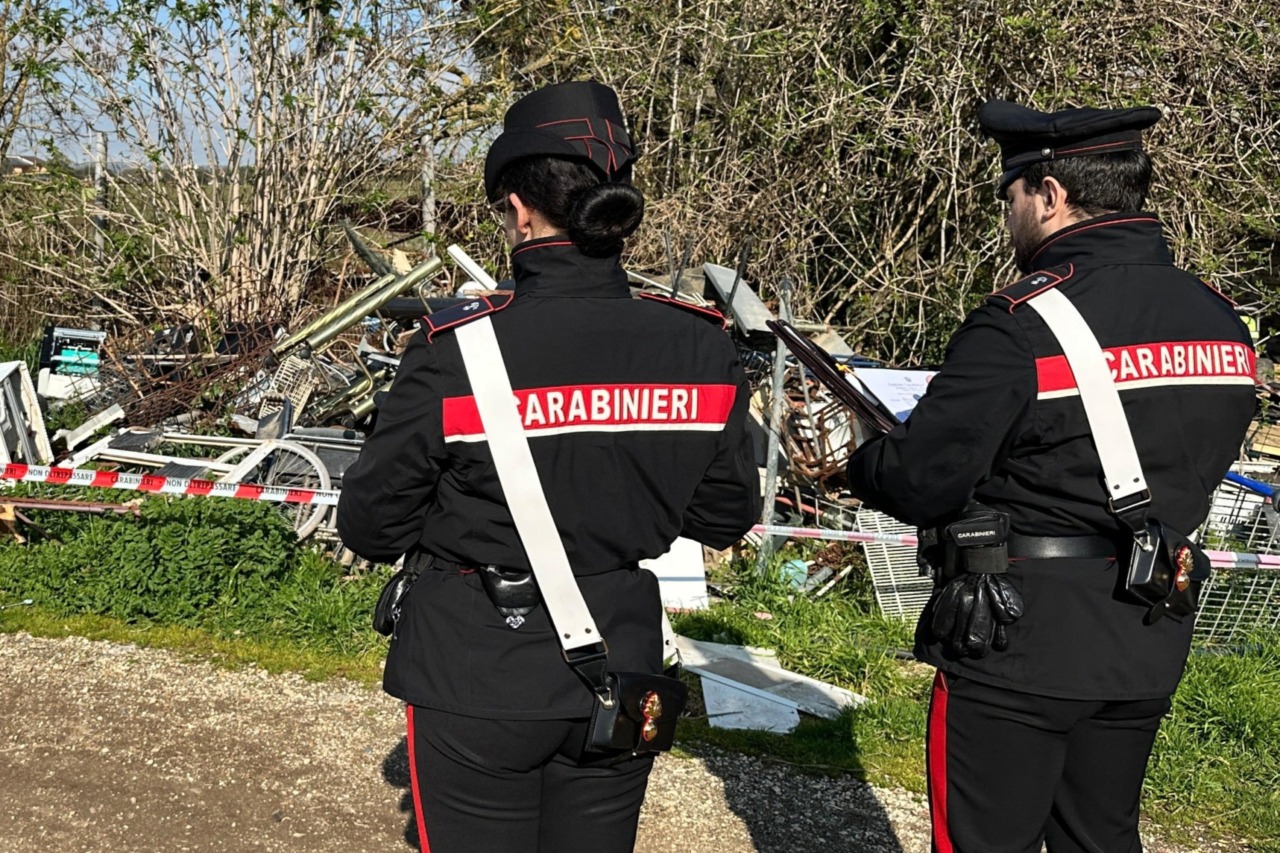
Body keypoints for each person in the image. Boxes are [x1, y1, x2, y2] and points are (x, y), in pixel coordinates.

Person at [336, 80, 761, 853]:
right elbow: (724, 514)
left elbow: (369, 523)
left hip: (476, 670)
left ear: (520, 209)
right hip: (619, 661)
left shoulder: (457, 348)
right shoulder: (698, 343)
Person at [846, 100, 1256, 853]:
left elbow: (916, 482)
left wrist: (858, 450)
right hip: (1147, 626)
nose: (1009, 221)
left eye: (1010, 200)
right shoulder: (1221, 320)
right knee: (1101, 837)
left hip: (1017, 638)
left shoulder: (1021, 321)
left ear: (1049, 192)